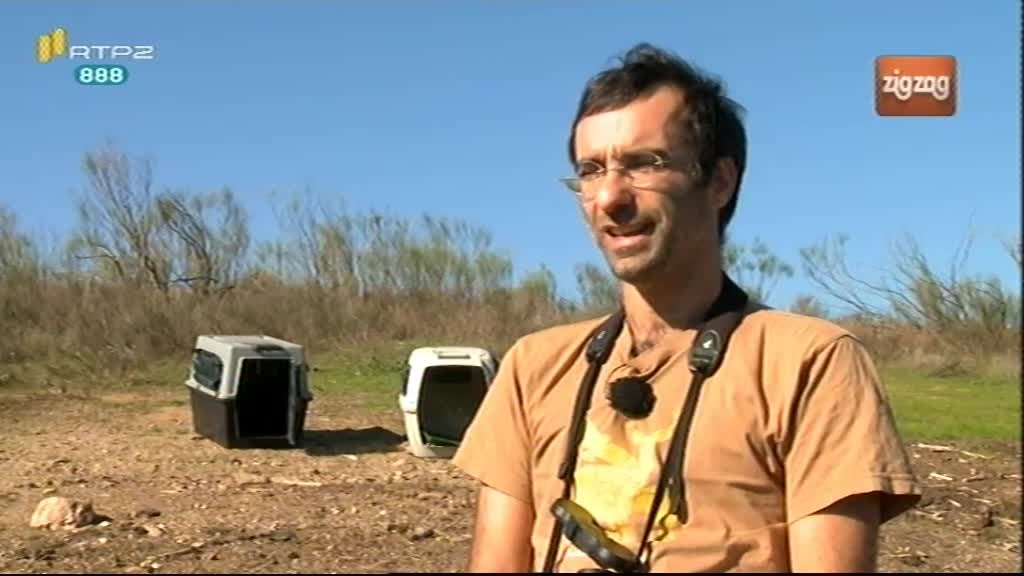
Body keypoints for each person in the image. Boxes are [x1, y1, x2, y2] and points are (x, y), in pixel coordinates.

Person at [451, 43, 922, 573]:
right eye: (590, 170)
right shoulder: (532, 367)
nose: (609, 198)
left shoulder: (810, 362)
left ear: (719, 181)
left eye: (642, 164)